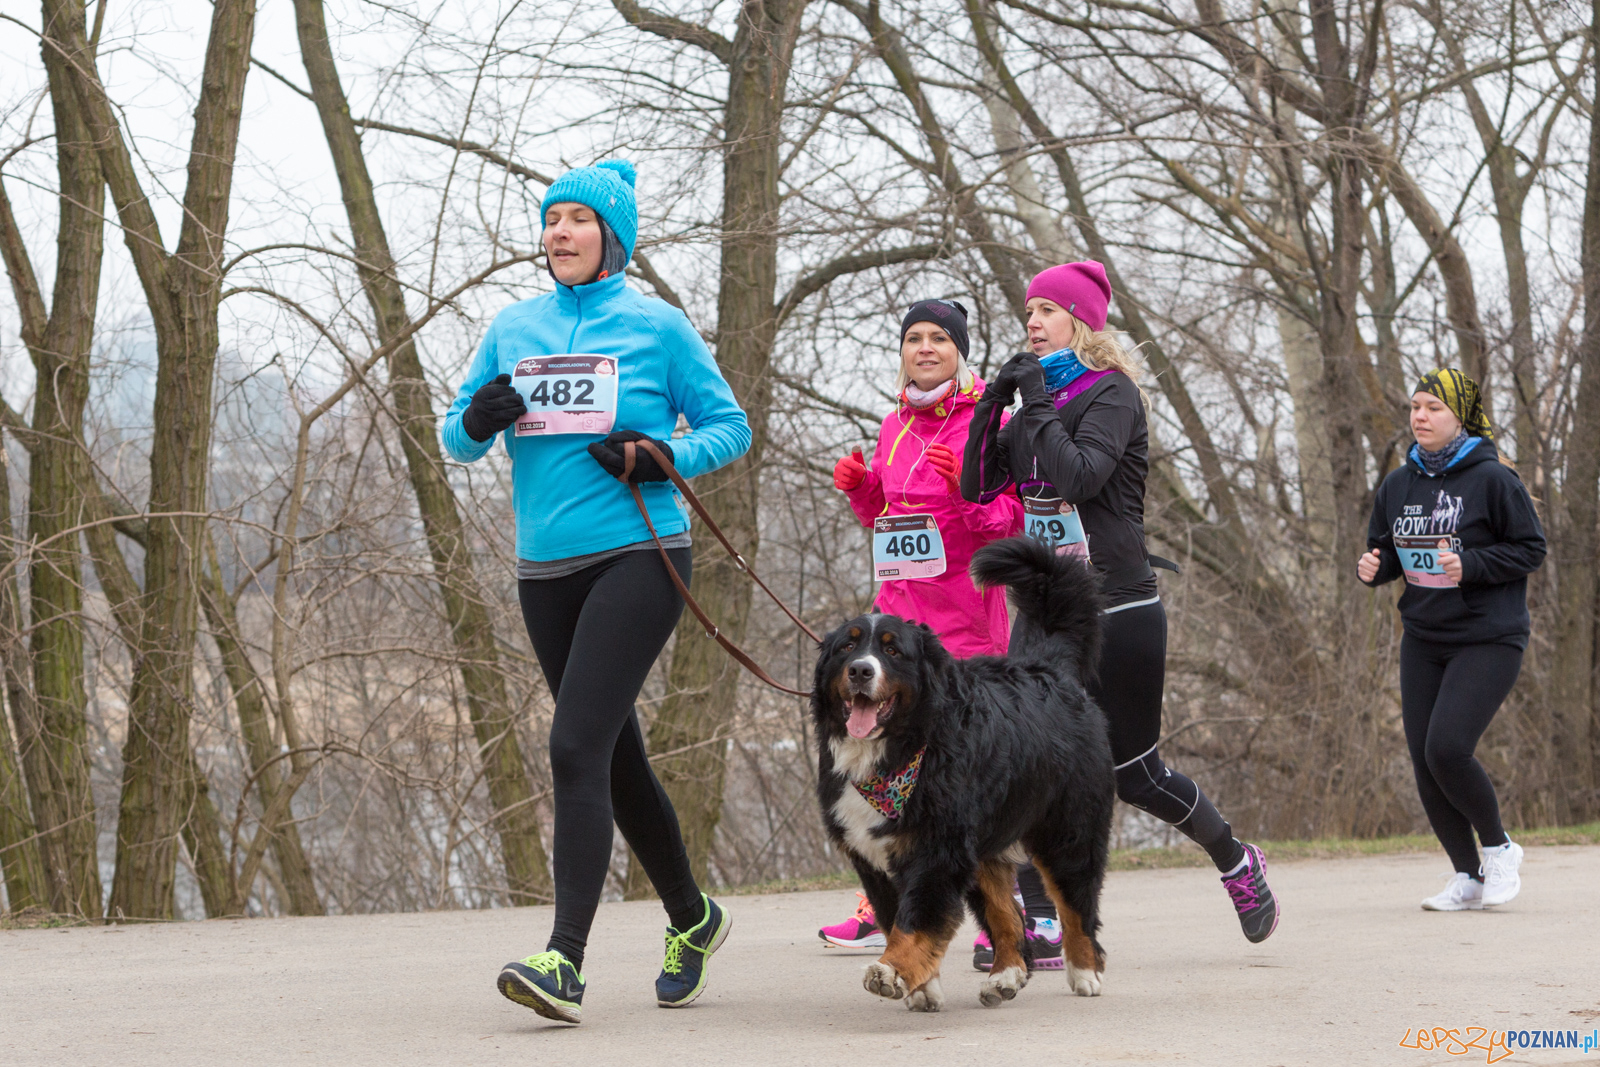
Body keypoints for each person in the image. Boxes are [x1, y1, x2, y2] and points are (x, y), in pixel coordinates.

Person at [442, 159, 752, 1024]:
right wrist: (477, 420)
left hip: (640, 555)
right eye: (552, 219)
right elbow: (455, 436)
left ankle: (564, 961)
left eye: (578, 218)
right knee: (613, 759)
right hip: (544, 570)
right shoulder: (514, 327)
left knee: (574, 743)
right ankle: (693, 917)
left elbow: (730, 426)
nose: (560, 233)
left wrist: (663, 455)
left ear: (613, 237)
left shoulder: (657, 326)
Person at [962, 260, 1280, 948]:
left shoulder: (1112, 393)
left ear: (1080, 320)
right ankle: (1043, 919)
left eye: (1047, 310)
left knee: (1134, 775)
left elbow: (1079, 477)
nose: (1032, 322)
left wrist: (1035, 402)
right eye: (1028, 312)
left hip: (1118, 608)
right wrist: (992, 405)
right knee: (1029, 762)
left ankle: (1236, 859)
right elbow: (977, 485)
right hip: (1044, 613)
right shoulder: (1035, 407)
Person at [816, 299, 1038, 958]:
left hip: (963, 624)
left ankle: (1013, 909)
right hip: (896, 625)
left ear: (959, 351)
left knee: (969, 777)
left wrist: (968, 496)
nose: (925, 348)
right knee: (881, 759)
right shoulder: (895, 424)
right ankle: (885, 896)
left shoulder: (991, 426)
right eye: (914, 337)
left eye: (939, 337)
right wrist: (863, 489)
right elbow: (888, 520)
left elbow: (1011, 524)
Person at [1358, 370, 1544, 911]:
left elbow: (1531, 549)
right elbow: (1387, 552)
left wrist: (1472, 564)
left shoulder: (1494, 479)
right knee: (1425, 761)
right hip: (1423, 637)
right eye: (1415, 406)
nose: (1420, 416)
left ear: (1460, 417)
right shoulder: (1398, 485)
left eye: (1433, 407)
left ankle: (1500, 848)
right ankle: (1468, 876)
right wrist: (1375, 568)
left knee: (1447, 748)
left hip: (1488, 636)